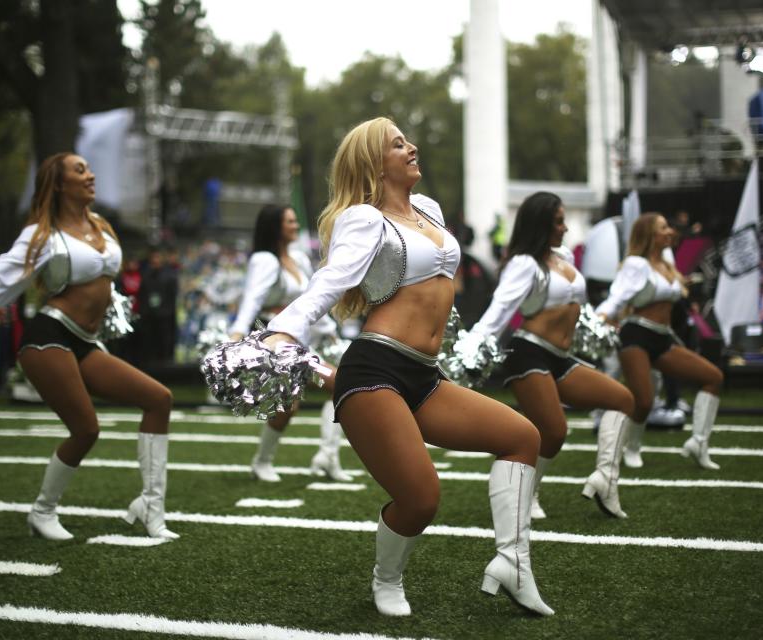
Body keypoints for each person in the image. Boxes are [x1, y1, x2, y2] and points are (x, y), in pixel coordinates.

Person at [262, 117, 553, 617]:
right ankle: (386, 578)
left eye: (407, 141)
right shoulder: (363, 219)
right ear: (376, 163)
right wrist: (287, 328)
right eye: (398, 145)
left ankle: (513, 562)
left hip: (424, 373)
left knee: (523, 437)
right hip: (375, 370)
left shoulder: (428, 209)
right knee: (420, 498)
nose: (412, 147)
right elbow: (330, 281)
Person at [0, 153, 178, 540]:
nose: (90, 174)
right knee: (86, 428)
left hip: (86, 341)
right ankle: (42, 512)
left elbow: (109, 288)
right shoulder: (43, 234)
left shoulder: (101, 226)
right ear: (58, 185)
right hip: (49, 337)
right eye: (80, 170)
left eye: (90, 168)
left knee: (159, 399)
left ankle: (151, 507)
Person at [468, 193, 635, 519]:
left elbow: (580, 310)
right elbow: (499, 310)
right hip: (529, 351)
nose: (565, 228)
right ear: (541, 224)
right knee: (554, 431)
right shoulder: (524, 264)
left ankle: (606, 479)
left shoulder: (565, 258)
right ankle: (526, 494)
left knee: (623, 400)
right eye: (558, 221)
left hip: (561, 355)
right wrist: (471, 349)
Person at [228, 204, 352, 482]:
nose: (295, 226)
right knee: (308, 398)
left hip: (300, 342)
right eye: (290, 221)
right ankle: (265, 462)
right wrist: (236, 334)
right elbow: (252, 300)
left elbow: (308, 303)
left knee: (337, 388)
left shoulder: (298, 259)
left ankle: (326, 456)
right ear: (275, 226)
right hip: (275, 343)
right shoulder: (264, 260)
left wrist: (329, 331)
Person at [596, 213, 724, 470]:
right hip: (636, 335)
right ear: (649, 235)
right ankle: (631, 447)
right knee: (643, 400)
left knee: (713, 377)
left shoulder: (667, 261)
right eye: (663, 228)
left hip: (663, 336)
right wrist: (600, 316)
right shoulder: (636, 263)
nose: (670, 232)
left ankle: (698, 442)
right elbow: (618, 296)